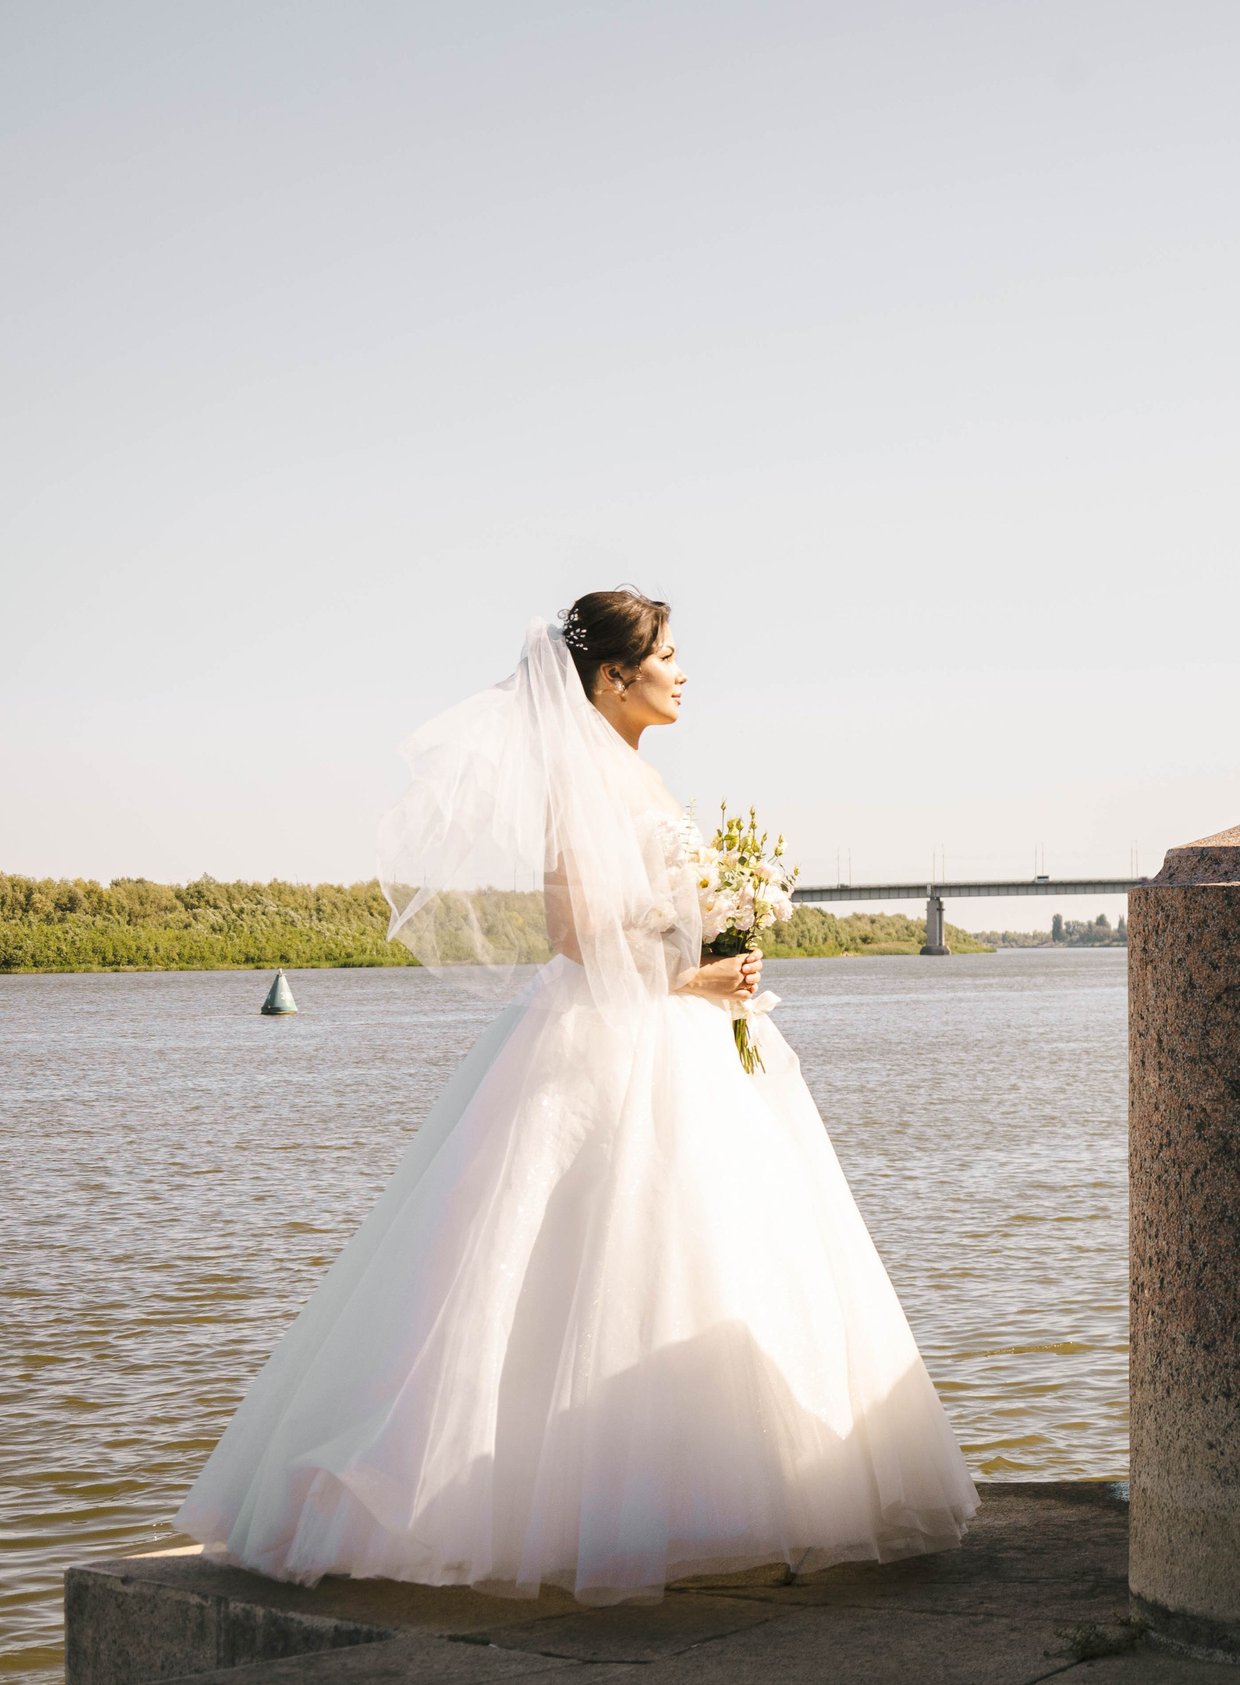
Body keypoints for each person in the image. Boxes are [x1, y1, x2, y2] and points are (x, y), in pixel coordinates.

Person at [176, 590, 978, 1601]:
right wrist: (694, 977)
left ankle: (696, 1494)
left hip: (673, 1028)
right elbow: (573, 932)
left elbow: (649, 917)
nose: (684, 673)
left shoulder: (636, 774)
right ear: (611, 676)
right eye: (668, 656)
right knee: (581, 1257)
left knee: (711, 1249)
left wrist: (723, 936)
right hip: (613, 1037)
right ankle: (540, 1500)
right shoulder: (582, 778)